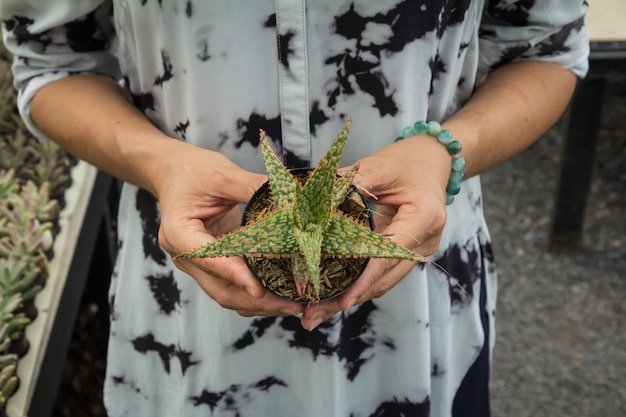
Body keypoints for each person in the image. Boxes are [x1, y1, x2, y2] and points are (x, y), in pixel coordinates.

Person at [2, 1, 588, 416]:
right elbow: (53, 62)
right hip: (191, 316)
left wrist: (442, 152)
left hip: (416, 309)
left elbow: (547, 49)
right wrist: (160, 162)